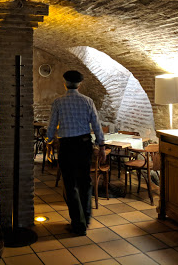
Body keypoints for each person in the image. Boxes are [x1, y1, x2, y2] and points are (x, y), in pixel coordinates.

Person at [46, 70, 106, 235]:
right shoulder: (88, 101)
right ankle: (85, 220)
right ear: (80, 84)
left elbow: (51, 127)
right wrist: (101, 146)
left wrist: (48, 141)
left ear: (65, 83)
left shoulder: (58, 102)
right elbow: (96, 125)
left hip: (67, 146)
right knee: (85, 183)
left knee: (70, 185)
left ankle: (78, 224)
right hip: (84, 145)